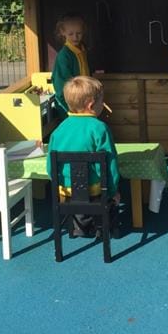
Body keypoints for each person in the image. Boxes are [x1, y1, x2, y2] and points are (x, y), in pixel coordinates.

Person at [46, 76, 120, 238]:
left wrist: (60, 185)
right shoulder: (100, 128)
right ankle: (104, 226)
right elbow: (109, 165)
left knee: (78, 194)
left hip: (67, 190)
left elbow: (50, 167)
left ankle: (80, 225)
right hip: (94, 189)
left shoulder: (58, 131)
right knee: (108, 195)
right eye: (102, 101)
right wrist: (113, 190)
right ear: (91, 105)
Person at [51, 13, 90, 119]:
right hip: (70, 105)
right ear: (63, 32)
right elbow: (61, 85)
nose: (75, 37)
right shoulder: (64, 56)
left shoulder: (82, 50)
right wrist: (71, 106)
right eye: (71, 34)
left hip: (83, 100)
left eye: (79, 33)